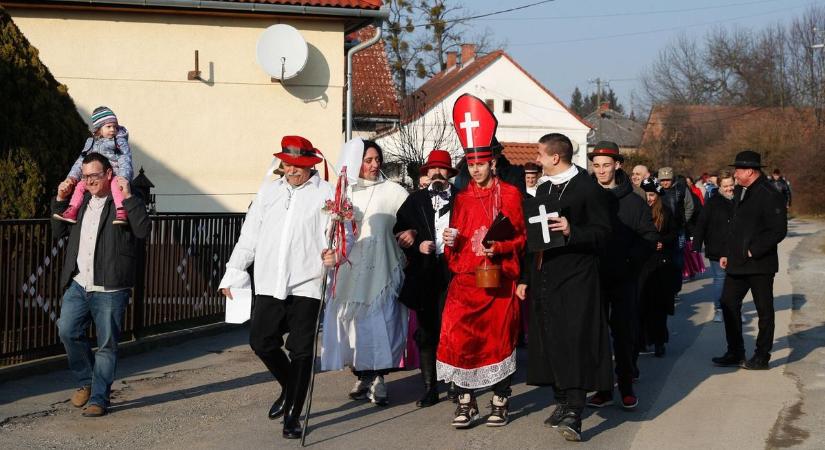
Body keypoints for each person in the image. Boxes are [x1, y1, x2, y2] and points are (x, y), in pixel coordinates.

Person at [218, 136, 331, 439]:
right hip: (269, 280)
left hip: (307, 281)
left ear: (310, 165)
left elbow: (341, 235)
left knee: (301, 350)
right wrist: (232, 272)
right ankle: (288, 386)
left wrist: (336, 254)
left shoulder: (327, 194)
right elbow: (249, 236)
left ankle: (293, 415)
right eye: (287, 164)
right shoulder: (268, 191)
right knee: (261, 341)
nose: (291, 170)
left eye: (298, 165)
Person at [519, 133, 613, 442]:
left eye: (541, 154)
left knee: (575, 340)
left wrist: (573, 230)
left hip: (577, 277)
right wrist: (524, 277)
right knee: (551, 338)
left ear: (556, 157)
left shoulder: (587, 188)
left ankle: (576, 408)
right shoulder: (544, 187)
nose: (537, 159)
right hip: (546, 275)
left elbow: (603, 233)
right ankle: (561, 399)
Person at [51, 152, 151, 417]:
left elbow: (142, 231)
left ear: (108, 174)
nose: (89, 181)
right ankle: (86, 381)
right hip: (79, 282)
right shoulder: (81, 200)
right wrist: (60, 200)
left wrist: (128, 196)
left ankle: (99, 398)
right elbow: (58, 232)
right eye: (85, 177)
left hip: (111, 285)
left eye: (94, 175)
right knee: (67, 330)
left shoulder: (125, 200)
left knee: (107, 344)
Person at [321, 140, 410, 405]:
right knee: (353, 327)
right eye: (368, 160)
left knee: (380, 324)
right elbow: (331, 230)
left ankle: (380, 376)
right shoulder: (345, 193)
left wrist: (411, 233)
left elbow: (411, 221)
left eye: (377, 160)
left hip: (382, 267)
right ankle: (361, 375)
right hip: (350, 268)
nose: (374, 165)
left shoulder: (394, 191)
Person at [586, 141, 658, 411]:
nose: (601, 170)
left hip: (625, 278)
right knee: (597, 335)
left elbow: (649, 238)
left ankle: (626, 386)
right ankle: (603, 389)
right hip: (592, 277)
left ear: (617, 165)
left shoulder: (634, 200)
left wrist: (630, 262)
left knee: (624, 333)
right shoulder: (586, 196)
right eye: (597, 165)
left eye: (606, 165)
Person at [394, 150, 458, 407]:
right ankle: (430, 387)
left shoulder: (462, 199)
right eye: (433, 169)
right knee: (427, 330)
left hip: (454, 272)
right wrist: (416, 242)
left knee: (453, 329)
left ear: (449, 174)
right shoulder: (416, 200)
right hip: (424, 272)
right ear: (426, 173)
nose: (437, 174)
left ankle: (455, 382)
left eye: (442, 169)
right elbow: (398, 230)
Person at [712, 150, 787, 370]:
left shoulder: (769, 192)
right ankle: (735, 351)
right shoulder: (740, 191)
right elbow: (733, 227)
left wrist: (753, 250)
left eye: (738, 169)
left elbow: (778, 230)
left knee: (764, 311)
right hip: (737, 262)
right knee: (727, 302)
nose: (735, 173)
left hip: (760, 264)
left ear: (750, 171)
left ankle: (762, 356)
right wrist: (727, 252)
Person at [54, 107, 133, 225]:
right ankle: (72, 209)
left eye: (115, 126)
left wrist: (124, 176)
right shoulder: (91, 142)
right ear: (99, 129)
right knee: (81, 185)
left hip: (113, 175)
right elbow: (81, 161)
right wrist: (72, 177)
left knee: (116, 186)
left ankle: (121, 210)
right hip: (95, 176)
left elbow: (125, 159)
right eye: (108, 126)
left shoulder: (119, 142)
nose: (113, 130)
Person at [638, 177, 678, 358]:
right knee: (641, 306)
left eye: (652, 194)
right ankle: (642, 340)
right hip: (642, 264)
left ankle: (659, 341)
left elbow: (674, 235)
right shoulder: (638, 211)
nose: (649, 198)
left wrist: (663, 242)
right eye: (646, 194)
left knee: (658, 307)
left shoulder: (665, 212)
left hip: (661, 265)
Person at [693, 171, 737, 323]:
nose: (729, 188)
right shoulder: (713, 202)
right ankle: (719, 309)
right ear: (719, 186)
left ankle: (734, 310)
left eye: (731, 185)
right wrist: (696, 245)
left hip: (736, 247)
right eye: (725, 186)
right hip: (716, 246)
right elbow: (702, 223)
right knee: (720, 278)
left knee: (736, 280)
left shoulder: (740, 199)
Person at [657, 167, 694, 296]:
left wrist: (684, 221)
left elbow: (689, 206)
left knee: (678, 260)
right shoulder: (656, 190)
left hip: (679, 231)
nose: (665, 183)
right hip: (663, 232)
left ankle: (675, 289)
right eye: (662, 180)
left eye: (667, 180)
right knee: (664, 259)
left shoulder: (681, 189)